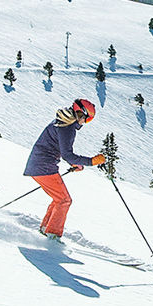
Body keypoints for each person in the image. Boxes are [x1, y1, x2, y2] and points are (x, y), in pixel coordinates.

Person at [23, 98, 107, 239]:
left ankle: (46, 229)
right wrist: (91, 161)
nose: (85, 123)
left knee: (59, 199)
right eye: (87, 119)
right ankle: (52, 235)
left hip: (39, 165)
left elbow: (60, 149)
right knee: (64, 200)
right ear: (81, 114)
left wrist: (74, 163)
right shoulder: (67, 128)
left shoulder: (62, 121)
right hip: (44, 167)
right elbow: (68, 155)